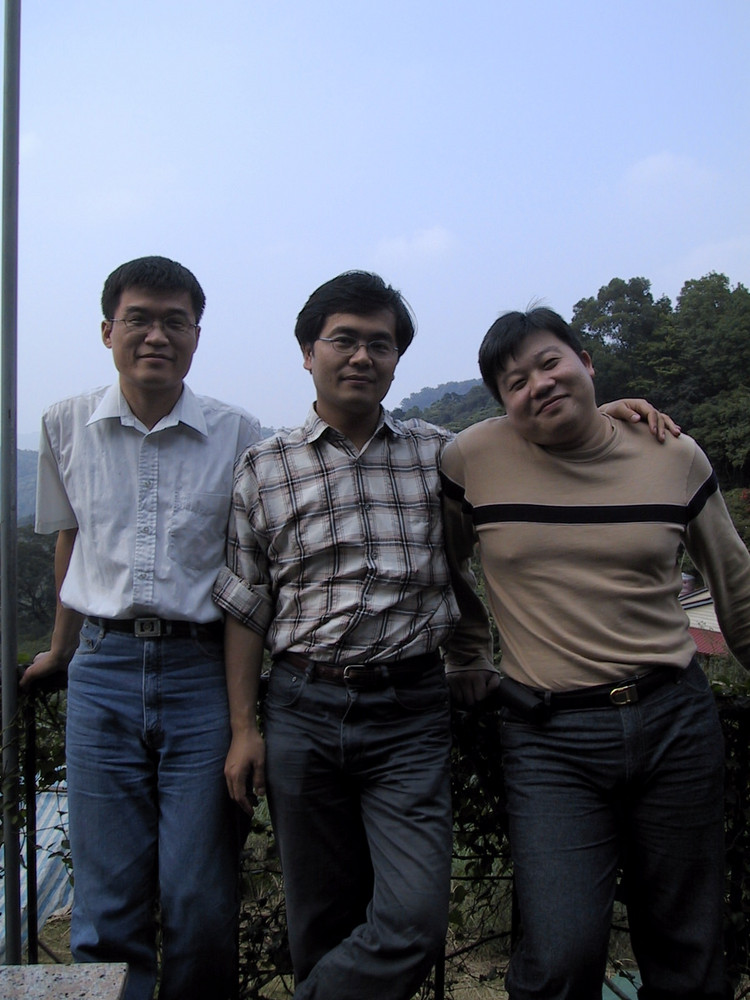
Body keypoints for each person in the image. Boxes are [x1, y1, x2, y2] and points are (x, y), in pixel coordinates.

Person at [212, 272, 672, 1000]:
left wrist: (607, 411)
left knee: (414, 921)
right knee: (321, 921)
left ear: (397, 359)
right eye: (344, 340)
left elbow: (540, 444)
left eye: (380, 343)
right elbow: (245, 605)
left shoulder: (444, 455)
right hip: (301, 706)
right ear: (307, 352)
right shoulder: (263, 467)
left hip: (409, 710)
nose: (362, 356)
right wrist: (245, 727)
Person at [440, 306, 750, 1000]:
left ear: (586, 361)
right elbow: (444, 566)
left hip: (674, 722)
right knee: (560, 954)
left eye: (550, 363)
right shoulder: (470, 460)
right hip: (550, 738)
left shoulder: (673, 454)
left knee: (688, 948)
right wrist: (468, 653)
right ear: (502, 404)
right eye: (515, 382)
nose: (538, 385)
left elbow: (736, 586)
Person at [21, 256, 261, 1000]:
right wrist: (59, 651)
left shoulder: (238, 433)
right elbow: (72, 540)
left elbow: (247, 569)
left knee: (200, 896)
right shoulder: (65, 424)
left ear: (196, 335)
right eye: (139, 320)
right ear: (107, 331)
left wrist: (244, 717)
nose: (157, 336)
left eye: (174, 322)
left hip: (202, 672)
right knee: (106, 901)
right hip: (102, 670)